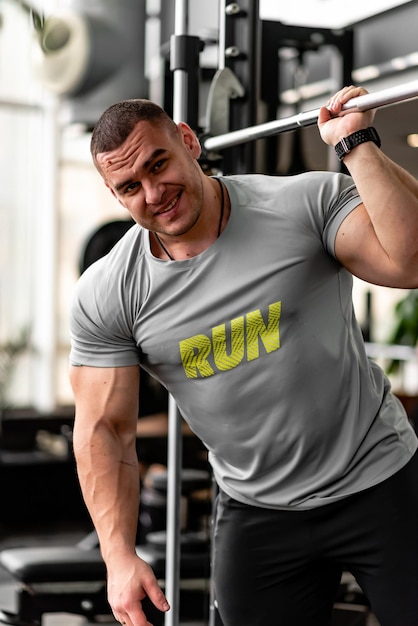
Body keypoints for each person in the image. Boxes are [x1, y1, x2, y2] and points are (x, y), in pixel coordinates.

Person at [69, 85, 418, 626]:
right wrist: (117, 556)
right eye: (130, 186)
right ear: (116, 196)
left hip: (377, 478)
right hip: (257, 510)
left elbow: (408, 263)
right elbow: (104, 430)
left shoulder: (303, 203)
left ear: (189, 141)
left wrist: (358, 145)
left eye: (160, 164)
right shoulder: (110, 291)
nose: (153, 192)